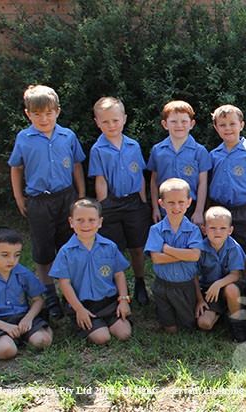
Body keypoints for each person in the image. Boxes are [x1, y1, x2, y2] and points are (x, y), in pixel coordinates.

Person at [8, 84, 86, 319]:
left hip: (66, 198)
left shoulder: (68, 136)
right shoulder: (24, 138)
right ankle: (50, 296)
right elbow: (16, 167)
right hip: (39, 201)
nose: (43, 118)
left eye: (48, 113)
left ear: (57, 112)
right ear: (28, 114)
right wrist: (19, 196)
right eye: (37, 114)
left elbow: (76, 165)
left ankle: (70, 295)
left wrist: (80, 195)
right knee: (43, 251)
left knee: (68, 248)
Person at [88, 97, 152, 304]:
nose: (111, 125)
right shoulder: (98, 150)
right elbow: (100, 180)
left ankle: (140, 281)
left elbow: (140, 176)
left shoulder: (133, 146)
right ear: (97, 122)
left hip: (134, 203)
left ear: (124, 119)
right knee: (115, 247)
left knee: (137, 246)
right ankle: (118, 287)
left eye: (115, 120)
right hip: (112, 204)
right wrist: (103, 205)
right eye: (105, 122)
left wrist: (143, 203)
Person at [50, 198, 132, 345]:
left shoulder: (109, 247)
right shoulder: (66, 252)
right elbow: (65, 283)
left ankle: (109, 321)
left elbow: (119, 274)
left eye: (91, 220)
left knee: (124, 333)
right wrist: (79, 309)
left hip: (109, 302)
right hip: (83, 304)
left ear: (100, 222)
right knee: (102, 338)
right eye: (79, 220)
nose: (86, 224)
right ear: (71, 222)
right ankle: (86, 323)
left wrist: (124, 300)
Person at [0, 227, 53, 359]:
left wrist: (28, 318)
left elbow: (38, 299)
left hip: (22, 318)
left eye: (17, 255)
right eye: (5, 255)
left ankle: (35, 332)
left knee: (43, 341)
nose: (12, 260)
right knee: (7, 351)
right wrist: (5, 326)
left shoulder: (23, 273)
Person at [208, 105, 246, 281]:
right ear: (216, 128)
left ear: (241, 125)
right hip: (219, 209)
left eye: (232, 124)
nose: (228, 128)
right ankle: (222, 280)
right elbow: (208, 181)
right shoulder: (213, 155)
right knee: (220, 244)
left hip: (244, 209)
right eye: (223, 125)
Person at [144, 178, 204, 333]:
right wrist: (186, 254)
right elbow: (156, 258)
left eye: (181, 202)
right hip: (163, 285)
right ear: (161, 203)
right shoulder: (156, 230)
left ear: (189, 202)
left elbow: (195, 256)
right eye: (170, 202)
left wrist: (166, 248)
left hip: (186, 286)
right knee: (171, 330)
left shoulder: (193, 230)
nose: (176, 207)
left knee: (188, 327)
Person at [147, 100, 212, 226]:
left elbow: (203, 183)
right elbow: (154, 181)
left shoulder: (199, 151)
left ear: (192, 124)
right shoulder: (157, 150)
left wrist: (199, 211)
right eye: (173, 121)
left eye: (184, 121)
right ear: (165, 124)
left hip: (190, 208)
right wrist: (155, 208)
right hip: (165, 209)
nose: (179, 125)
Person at [196, 206, 246, 341]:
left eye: (223, 228)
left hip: (229, 286)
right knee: (204, 324)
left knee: (231, 288)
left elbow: (235, 275)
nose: (217, 232)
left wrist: (218, 284)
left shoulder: (234, 247)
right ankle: (223, 312)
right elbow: (194, 277)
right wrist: (200, 300)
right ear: (204, 230)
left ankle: (237, 323)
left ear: (230, 230)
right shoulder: (200, 249)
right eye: (212, 228)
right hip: (209, 291)